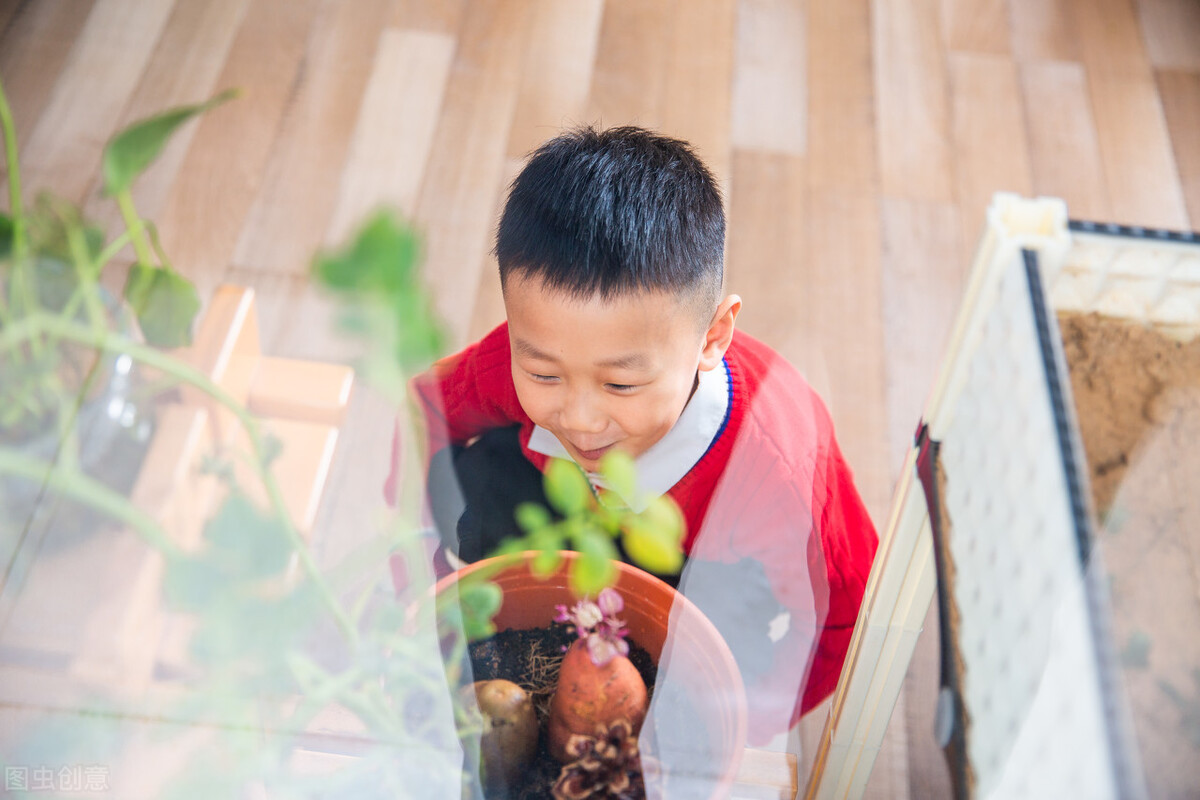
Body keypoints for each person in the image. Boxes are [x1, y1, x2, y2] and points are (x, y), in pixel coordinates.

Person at [389, 125, 878, 745]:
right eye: (543, 373)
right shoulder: (521, 364)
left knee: (718, 654)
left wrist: (736, 728)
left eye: (620, 384)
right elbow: (423, 410)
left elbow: (847, 615)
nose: (580, 418)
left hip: (702, 568)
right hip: (567, 515)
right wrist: (419, 571)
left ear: (712, 337)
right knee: (470, 476)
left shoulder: (778, 465)